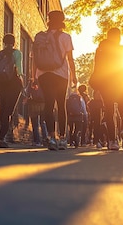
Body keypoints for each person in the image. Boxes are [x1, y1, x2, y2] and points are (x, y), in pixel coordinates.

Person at [89, 27, 123, 151]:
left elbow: (97, 67)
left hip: (106, 84)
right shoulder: (122, 49)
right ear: (118, 37)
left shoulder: (100, 50)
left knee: (109, 111)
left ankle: (112, 141)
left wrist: (96, 83)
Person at [35, 10, 77, 151]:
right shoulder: (65, 37)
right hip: (61, 74)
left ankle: (52, 138)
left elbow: (35, 58)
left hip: (43, 73)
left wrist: (34, 76)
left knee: (48, 104)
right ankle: (63, 138)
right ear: (62, 21)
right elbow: (70, 59)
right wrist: (74, 75)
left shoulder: (40, 36)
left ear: (49, 20)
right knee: (61, 104)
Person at [0, 33, 23, 148]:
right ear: (14, 43)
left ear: (4, 42)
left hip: (1, 84)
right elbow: (19, 70)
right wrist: (22, 81)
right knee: (8, 112)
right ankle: (0, 138)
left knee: (2, 110)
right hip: (14, 84)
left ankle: (0, 137)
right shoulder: (17, 53)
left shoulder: (0, 54)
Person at [24, 79, 46, 147]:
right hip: (43, 105)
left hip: (33, 105)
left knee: (35, 124)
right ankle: (45, 140)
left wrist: (28, 100)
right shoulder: (43, 81)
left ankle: (37, 141)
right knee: (43, 122)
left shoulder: (31, 82)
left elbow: (27, 94)